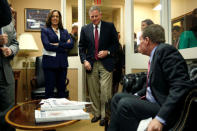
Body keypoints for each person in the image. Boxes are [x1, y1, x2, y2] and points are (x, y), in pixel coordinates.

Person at [108, 24, 192, 131]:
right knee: (117, 98)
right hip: (152, 101)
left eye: (140, 40)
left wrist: (160, 118)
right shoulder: (155, 54)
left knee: (125, 104)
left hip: (162, 105)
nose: (138, 44)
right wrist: (135, 95)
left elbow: (180, 86)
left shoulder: (166, 51)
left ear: (147, 40)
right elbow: (152, 85)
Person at [79, 5, 119, 126]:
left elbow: (116, 44)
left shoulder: (110, 26)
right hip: (91, 64)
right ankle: (97, 114)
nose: (94, 18)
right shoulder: (85, 29)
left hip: (106, 63)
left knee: (105, 91)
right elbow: (81, 47)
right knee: (93, 91)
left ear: (100, 15)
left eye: (96, 16)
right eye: (92, 17)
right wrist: (84, 61)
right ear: (89, 17)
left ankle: (105, 115)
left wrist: (108, 52)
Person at [41, 10, 74, 98]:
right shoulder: (45, 30)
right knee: (49, 91)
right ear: (50, 18)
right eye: (53, 16)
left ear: (59, 19)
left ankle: (61, 111)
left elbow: (71, 45)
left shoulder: (64, 31)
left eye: (57, 16)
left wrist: (58, 44)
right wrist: (64, 46)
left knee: (61, 90)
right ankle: (49, 111)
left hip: (62, 64)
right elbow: (47, 46)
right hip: (49, 65)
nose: (55, 18)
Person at [0, 8, 19, 130]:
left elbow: (15, 43)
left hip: (6, 73)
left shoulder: (9, 24)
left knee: (8, 114)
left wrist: (10, 50)